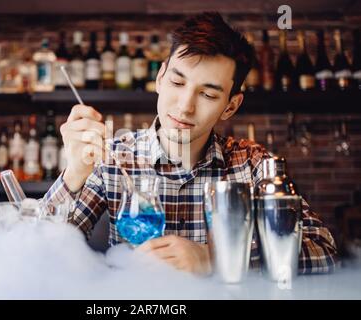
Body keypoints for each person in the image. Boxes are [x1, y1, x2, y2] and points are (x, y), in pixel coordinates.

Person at [43, 12, 337, 275]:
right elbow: (43, 254)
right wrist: (74, 174)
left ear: (230, 106)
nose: (184, 107)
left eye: (208, 95)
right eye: (177, 82)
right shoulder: (113, 157)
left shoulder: (253, 164)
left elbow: (323, 249)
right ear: (159, 78)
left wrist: (215, 257)